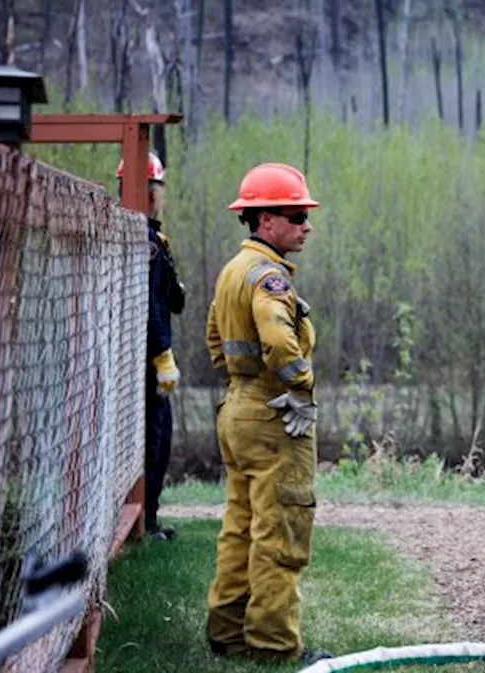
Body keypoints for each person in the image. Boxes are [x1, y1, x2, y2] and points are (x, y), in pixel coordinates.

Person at [203, 162, 332, 665]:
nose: (306, 225)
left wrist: (242, 381)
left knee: (240, 526)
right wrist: (300, 388)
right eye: (296, 215)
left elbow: (216, 338)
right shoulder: (269, 278)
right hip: (274, 413)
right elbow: (280, 340)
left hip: (237, 408)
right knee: (281, 531)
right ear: (265, 221)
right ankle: (274, 646)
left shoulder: (234, 270)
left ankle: (228, 635)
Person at [118, 151, 185, 542]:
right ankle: (148, 523)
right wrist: (162, 356)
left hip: (137, 355)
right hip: (146, 358)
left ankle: (148, 519)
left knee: (154, 437)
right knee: (154, 438)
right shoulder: (145, 243)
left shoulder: (151, 238)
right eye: (155, 187)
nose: (159, 195)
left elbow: (171, 300)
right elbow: (151, 307)